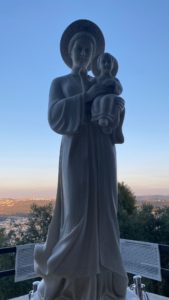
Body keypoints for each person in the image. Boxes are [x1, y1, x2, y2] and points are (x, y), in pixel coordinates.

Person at [33, 19, 128, 300]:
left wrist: (115, 110)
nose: (84, 54)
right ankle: (67, 284)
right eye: (79, 49)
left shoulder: (101, 81)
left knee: (104, 212)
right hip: (75, 151)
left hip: (102, 149)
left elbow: (112, 120)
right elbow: (54, 116)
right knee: (76, 215)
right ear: (70, 52)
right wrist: (87, 97)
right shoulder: (59, 83)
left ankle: (103, 284)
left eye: (89, 50)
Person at [91, 52, 125, 141]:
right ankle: (101, 117)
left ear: (113, 65)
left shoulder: (114, 79)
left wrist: (114, 84)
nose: (106, 64)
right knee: (99, 100)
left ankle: (108, 121)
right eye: (103, 62)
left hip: (112, 100)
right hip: (97, 100)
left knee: (108, 99)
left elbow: (120, 90)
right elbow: (88, 88)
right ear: (99, 65)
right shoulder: (96, 79)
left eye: (109, 62)